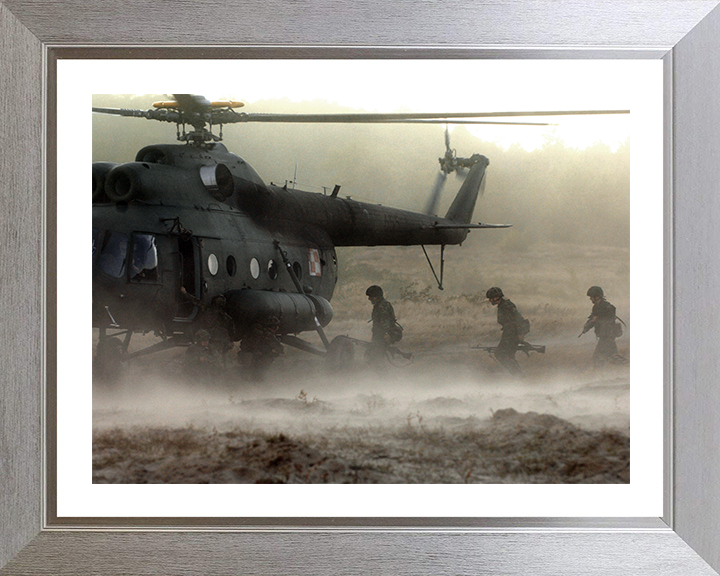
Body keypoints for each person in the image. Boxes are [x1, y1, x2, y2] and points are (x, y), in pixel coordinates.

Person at [180, 286, 235, 359]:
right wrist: (230, 340)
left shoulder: (207, 309)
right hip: (219, 340)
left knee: (208, 355)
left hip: (209, 338)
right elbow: (232, 331)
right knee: (218, 356)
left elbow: (195, 301)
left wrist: (185, 293)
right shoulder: (226, 317)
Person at [486, 286, 529, 376]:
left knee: (500, 354)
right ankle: (519, 375)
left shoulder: (507, 306)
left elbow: (519, 319)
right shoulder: (502, 306)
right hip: (508, 333)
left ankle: (519, 375)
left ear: (496, 297)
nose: (490, 300)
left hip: (512, 334)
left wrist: (521, 334)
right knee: (507, 355)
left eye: (491, 298)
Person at [580, 286, 623, 368]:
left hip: (606, 335)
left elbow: (595, 320)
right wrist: (587, 326)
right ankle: (625, 368)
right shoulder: (601, 306)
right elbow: (593, 318)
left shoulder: (602, 307)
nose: (590, 299)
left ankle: (598, 373)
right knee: (612, 356)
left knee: (598, 357)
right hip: (607, 335)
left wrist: (588, 326)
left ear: (597, 296)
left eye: (591, 297)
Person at [365, 285, 403, 364]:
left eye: (371, 297)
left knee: (375, 358)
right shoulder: (381, 304)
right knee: (373, 356)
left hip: (383, 335)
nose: (369, 299)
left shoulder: (382, 306)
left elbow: (385, 321)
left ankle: (382, 372)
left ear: (376, 296)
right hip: (380, 334)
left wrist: (385, 334)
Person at [239, 316, 285, 380]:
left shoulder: (253, 330)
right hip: (256, 358)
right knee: (270, 359)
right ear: (272, 327)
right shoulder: (268, 335)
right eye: (275, 327)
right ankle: (258, 378)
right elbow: (280, 349)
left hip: (244, 355)